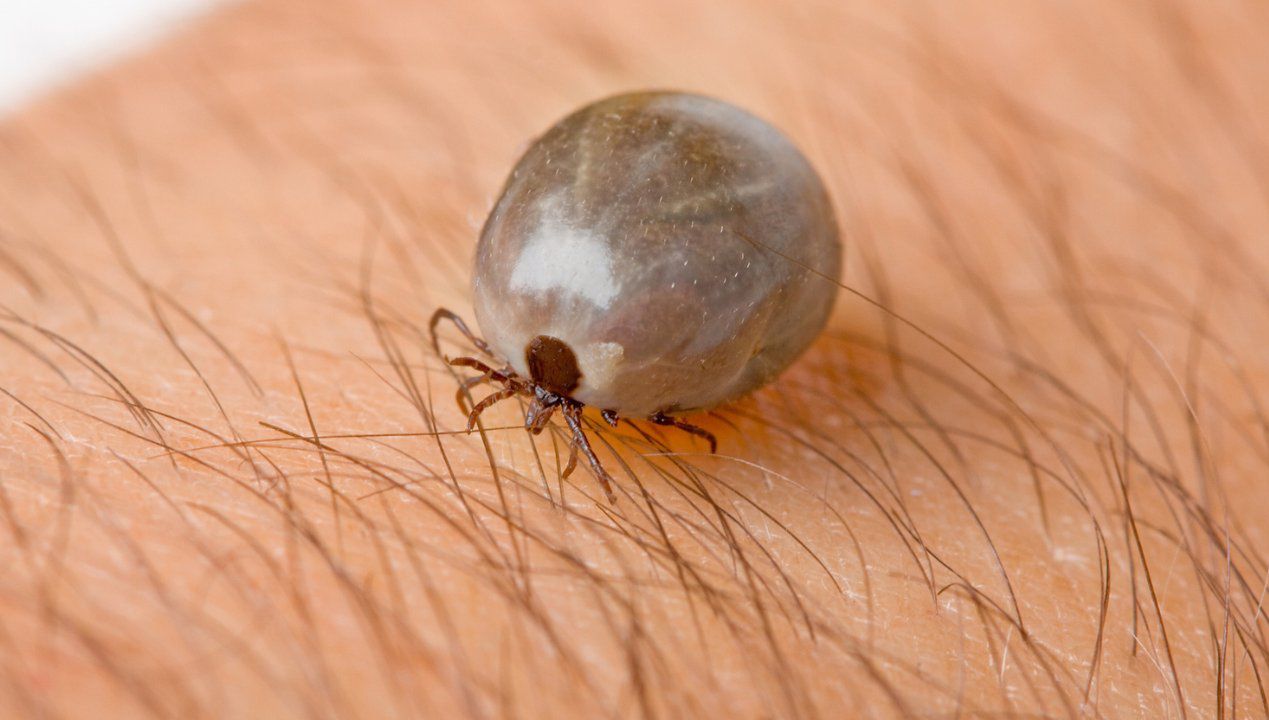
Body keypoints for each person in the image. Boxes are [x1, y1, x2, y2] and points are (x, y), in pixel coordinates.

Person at [0, 0, 1265, 716]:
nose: (540, 405)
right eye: (544, 384)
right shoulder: (538, 330)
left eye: (550, 389)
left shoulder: (562, 337)